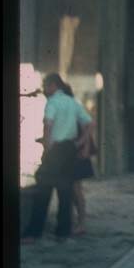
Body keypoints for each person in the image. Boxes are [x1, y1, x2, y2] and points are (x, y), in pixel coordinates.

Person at [21, 73, 93, 243]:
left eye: (46, 86)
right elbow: (89, 124)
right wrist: (80, 143)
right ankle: (62, 232)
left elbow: (48, 125)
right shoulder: (72, 102)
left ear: (53, 85)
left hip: (55, 149)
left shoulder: (52, 102)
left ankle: (33, 232)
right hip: (69, 148)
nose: (45, 90)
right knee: (65, 191)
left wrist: (47, 148)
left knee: (43, 189)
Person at [58, 80, 96, 236]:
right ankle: (74, 222)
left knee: (76, 189)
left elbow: (87, 126)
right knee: (70, 188)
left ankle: (81, 224)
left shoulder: (73, 106)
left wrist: (85, 148)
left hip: (77, 153)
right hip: (68, 152)